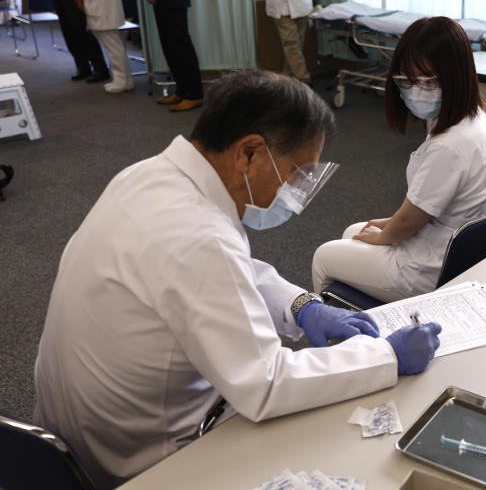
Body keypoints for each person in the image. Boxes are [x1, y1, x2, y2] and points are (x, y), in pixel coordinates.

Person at [33, 71, 442, 488]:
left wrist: (302, 306)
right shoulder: (199, 237)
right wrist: (386, 357)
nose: (298, 190)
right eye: (299, 173)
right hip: (144, 460)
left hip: (70, 440)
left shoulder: (148, 177)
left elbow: (226, 272)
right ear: (249, 153)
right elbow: (266, 385)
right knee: (348, 450)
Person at [312, 17, 486, 302]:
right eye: (406, 80)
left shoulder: (450, 145)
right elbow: (427, 208)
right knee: (354, 231)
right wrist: (387, 224)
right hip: (452, 244)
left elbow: (410, 221)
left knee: (324, 257)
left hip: (428, 269)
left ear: (453, 75)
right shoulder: (472, 117)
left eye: (427, 80)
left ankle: (342, 335)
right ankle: (361, 324)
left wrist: (385, 234)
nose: (415, 91)